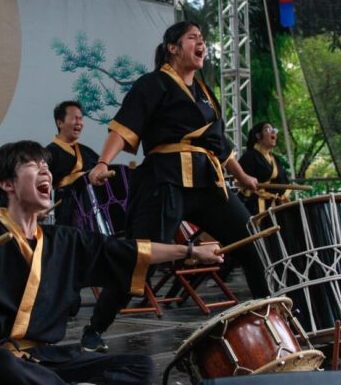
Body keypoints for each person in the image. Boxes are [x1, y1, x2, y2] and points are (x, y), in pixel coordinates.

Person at [0, 140, 223, 385]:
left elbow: (129, 250)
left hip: (47, 361)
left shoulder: (64, 240)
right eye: (33, 164)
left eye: (46, 166)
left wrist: (191, 252)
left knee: (139, 366)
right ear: (7, 184)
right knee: (0, 365)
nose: (46, 171)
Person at [82, 21, 269, 352]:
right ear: (172, 47)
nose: (202, 44)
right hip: (165, 180)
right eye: (193, 38)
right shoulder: (153, 84)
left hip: (208, 183)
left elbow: (219, 145)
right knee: (141, 255)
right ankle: (95, 329)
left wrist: (242, 177)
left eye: (203, 39)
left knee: (251, 240)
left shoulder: (206, 92)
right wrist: (102, 163)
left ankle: (270, 316)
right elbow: (125, 126)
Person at [45, 100, 99, 226]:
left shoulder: (89, 153)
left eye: (81, 119)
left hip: (93, 210)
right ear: (60, 123)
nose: (79, 123)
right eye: (75, 118)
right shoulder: (48, 154)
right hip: (66, 211)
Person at [238, 122, 291, 215]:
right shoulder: (249, 156)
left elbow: (284, 182)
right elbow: (242, 186)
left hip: (274, 206)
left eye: (274, 130)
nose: (273, 133)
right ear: (258, 136)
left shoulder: (274, 159)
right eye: (268, 130)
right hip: (255, 208)